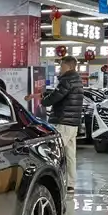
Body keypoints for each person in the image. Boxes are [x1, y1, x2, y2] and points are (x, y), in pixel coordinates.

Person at [40, 55, 84, 194]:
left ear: (68, 66)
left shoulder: (67, 80)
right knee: (70, 155)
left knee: (54, 153)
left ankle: (55, 182)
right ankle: (70, 184)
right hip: (72, 123)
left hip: (63, 122)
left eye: (61, 65)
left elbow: (55, 97)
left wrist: (43, 100)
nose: (60, 68)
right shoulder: (77, 79)